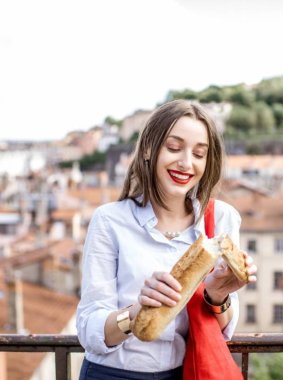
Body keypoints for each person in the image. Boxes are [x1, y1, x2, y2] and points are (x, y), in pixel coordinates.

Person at [76, 99, 257, 380]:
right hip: (112, 373)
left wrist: (218, 296)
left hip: (184, 373)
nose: (186, 163)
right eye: (174, 148)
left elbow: (225, 328)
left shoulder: (221, 219)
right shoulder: (110, 221)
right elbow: (89, 328)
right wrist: (136, 313)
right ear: (149, 149)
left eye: (199, 154)